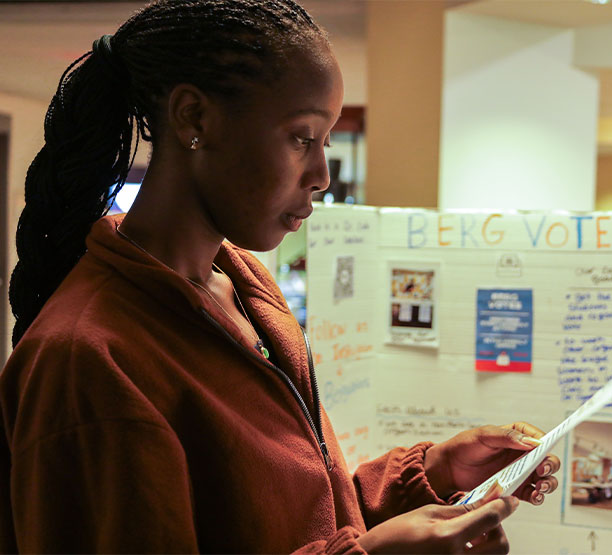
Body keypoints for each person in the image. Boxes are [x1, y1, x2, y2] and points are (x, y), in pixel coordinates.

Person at [0, 1, 560, 552]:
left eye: (327, 143)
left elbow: (301, 517)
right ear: (194, 118)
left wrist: (434, 473)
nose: (320, 175)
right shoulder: (88, 358)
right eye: (301, 138)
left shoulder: (241, 286)